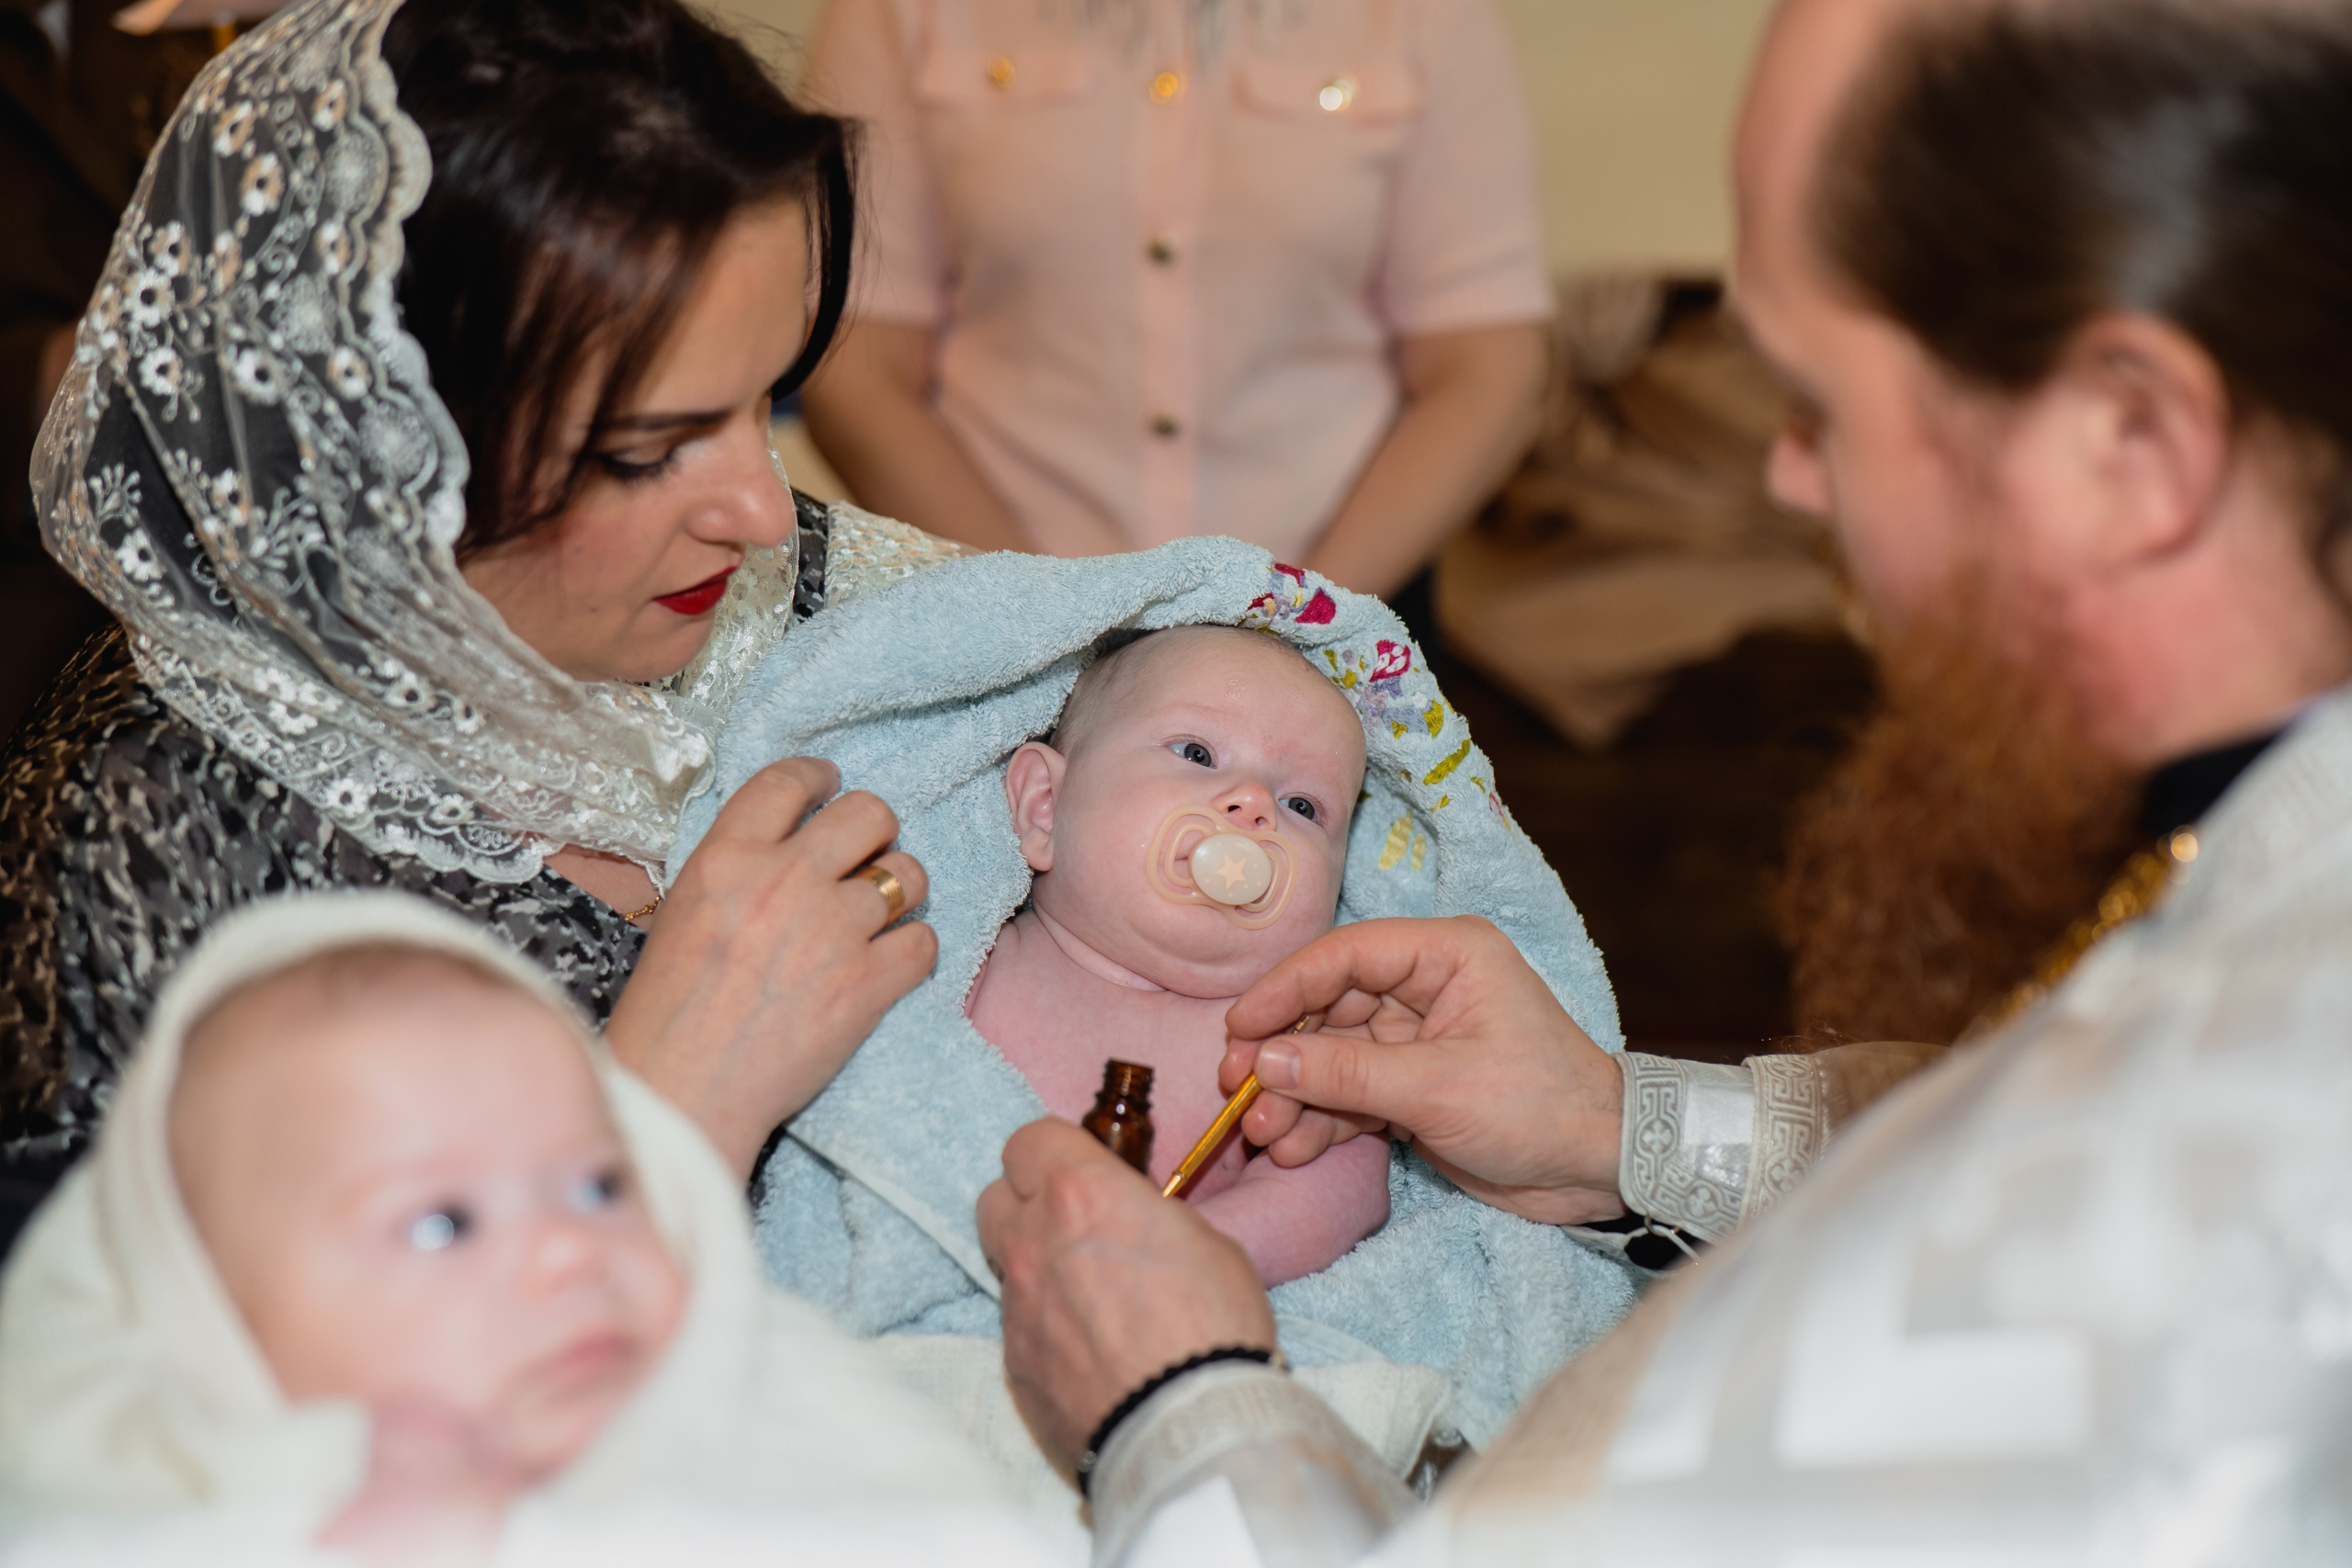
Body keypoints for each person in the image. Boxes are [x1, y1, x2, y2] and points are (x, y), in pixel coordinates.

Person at [975, 0, 2352, 1560]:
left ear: (2134, 444)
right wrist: (1611, 1122)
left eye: (1820, 405)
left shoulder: (2231, 1138)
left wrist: (1179, 1401)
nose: (1781, 477)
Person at [0, 0, 962, 1245]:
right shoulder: (161, 839)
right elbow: (188, 1407)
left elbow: (1205, 658)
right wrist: (672, 1103)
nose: (767, 511)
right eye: (643, 451)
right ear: (380, 435)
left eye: (763, 402)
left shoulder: (791, 591)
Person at [0, 892, 1048, 1563]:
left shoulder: (785, 1409)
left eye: (601, 1187)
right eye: (442, 1223)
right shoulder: (180, 1524)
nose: (570, 1253)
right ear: (214, 1308)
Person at [793, 0, 1551, 597]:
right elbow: (856, 360)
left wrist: (1301, 621)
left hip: (1344, 606)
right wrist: (1042, 618)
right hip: (988, 609)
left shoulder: (1426, 12)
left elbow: (1484, 365)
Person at [968, 626, 1389, 1286]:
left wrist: (1191, 1252)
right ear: (1046, 808)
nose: (1253, 806)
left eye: (1302, 805)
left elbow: (1344, 1187)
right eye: (1197, 751)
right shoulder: (962, 963)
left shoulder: (1290, 1049)